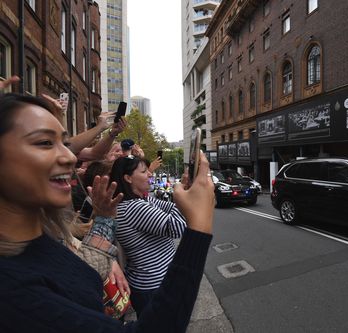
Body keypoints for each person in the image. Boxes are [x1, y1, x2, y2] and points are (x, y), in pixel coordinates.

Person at [0, 93, 215, 332]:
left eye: (65, 143)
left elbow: (78, 272)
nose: (70, 156)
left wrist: (103, 221)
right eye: (44, 142)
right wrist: (200, 222)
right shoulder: (12, 289)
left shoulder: (40, 240)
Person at [109, 156, 187, 316]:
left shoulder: (142, 200)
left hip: (146, 283)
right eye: (144, 171)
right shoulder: (134, 207)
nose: (150, 174)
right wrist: (182, 195)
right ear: (128, 178)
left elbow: (171, 207)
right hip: (153, 286)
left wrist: (177, 204)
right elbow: (179, 227)